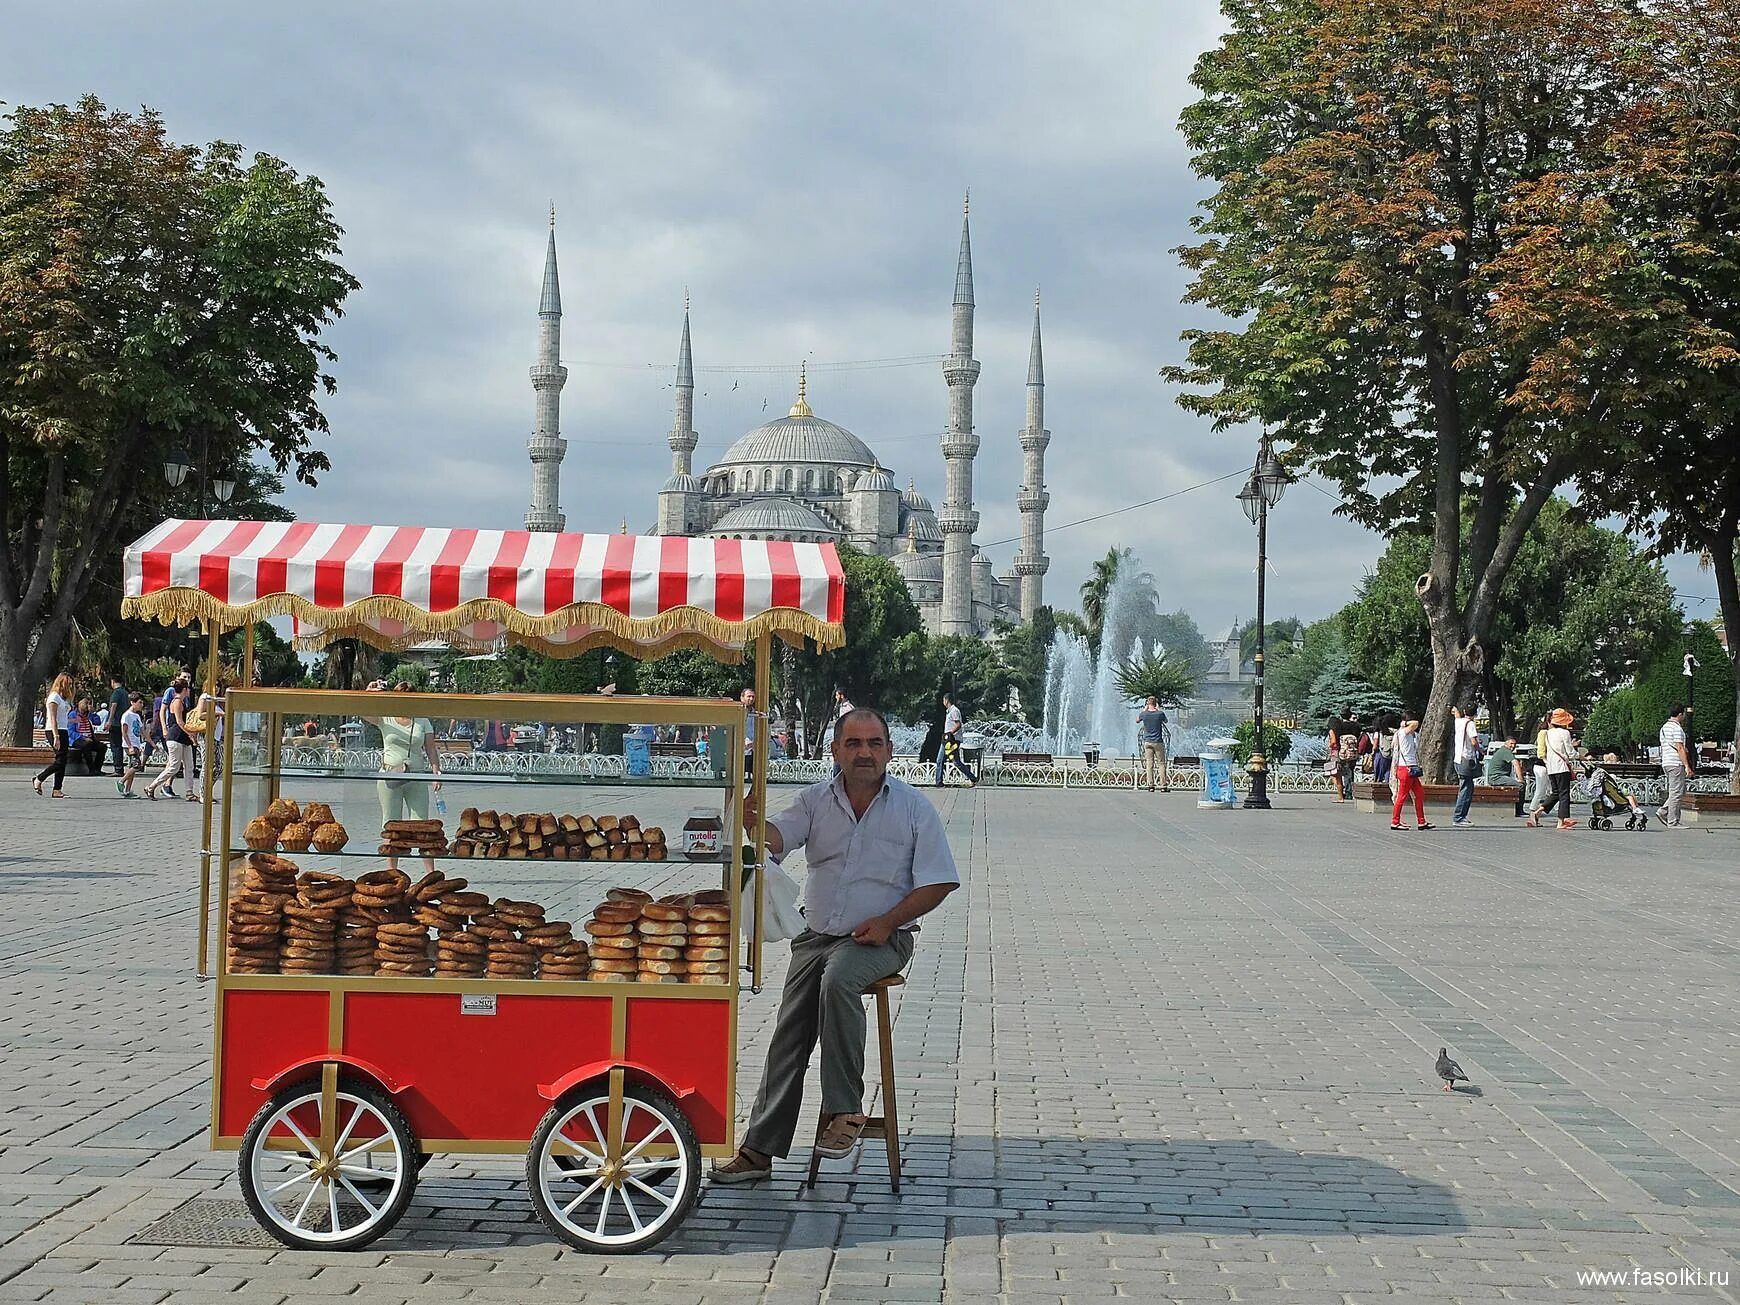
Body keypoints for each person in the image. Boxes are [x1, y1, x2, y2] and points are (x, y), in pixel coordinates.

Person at [710, 708, 959, 1184]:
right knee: (790, 1031)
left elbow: (939, 881)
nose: (864, 753)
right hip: (817, 934)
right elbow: (777, 841)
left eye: (874, 743)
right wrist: (751, 823)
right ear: (836, 751)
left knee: (839, 980)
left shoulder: (913, 807)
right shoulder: (815, 801)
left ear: (889, 750)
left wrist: (889, 922)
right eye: (854, 744)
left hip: (883, 937)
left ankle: (845, 1112)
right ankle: (759, 1150)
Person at [366, 682, 443, 870]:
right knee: (391, 823)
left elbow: (431, 748)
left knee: (422, 825)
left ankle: (429, 874)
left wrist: (436, 772)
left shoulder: (422, 720)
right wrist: (369, 692)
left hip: (416, 775)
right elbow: (363, 711)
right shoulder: (386, 717)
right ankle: (392, 872)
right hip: (390, 774)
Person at [145, 676, 198, 803]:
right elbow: (179, 722)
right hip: (176, 736)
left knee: (189, 766)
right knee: (174, 766)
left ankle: (189, 792)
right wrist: (190, 733)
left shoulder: (181, 701)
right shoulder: (178, 702)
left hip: (183, 738)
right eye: (188, 689)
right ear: (185, 689)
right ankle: (152, 786)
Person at [1526, 708, 1579, 829]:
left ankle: (1537, 812)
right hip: (1561, 767)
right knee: (1564, 794)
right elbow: (1570, 753)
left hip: (1551, 768)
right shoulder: (1565, 733)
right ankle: (1561, 821)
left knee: (1556, 793)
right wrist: (1578, 755)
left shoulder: (1548, 733)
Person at [32, 672, 74, 798]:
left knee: (62, 760)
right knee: (60, 760)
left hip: (63, 729)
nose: (70, 687)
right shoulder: (54, 698)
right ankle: (39, 778)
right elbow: (53, 718)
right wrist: (56, 736)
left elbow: (63, 717)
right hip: (54, 730)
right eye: (68, 684)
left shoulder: (63, 699)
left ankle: (57, 789)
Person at [1389, 712, 1432, 830]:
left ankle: (1421, 821)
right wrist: (1405, 723)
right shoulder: (1403, 732)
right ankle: (1395, 821)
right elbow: (1415, 723)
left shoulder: (1411, 735)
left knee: (1419, 794)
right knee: (1402, 796)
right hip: (1405, 769)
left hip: (1412, 768)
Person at [1657, 703, 1692, 828]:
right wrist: (1687, 765)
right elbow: (1680, 747)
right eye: (1684, 714)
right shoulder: (1677, 729)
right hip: (1675, 763)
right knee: (1676, 792)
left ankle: (1664, 811)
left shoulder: (1664, 727)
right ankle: (1672, 821)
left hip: (1666, 762)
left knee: (1679, 791)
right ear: (1680, 714)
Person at [934, 692, 976, 787]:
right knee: (941, 760)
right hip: (946, 740)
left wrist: (950, 733)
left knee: (954, 761)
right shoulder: (949, 711)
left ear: (946, 700)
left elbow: (958, 724)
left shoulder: (954, 711)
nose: (943, 702)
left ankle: (972, 777)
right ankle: (939, 782)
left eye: (943, 700)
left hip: (952, 740)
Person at [1450, 704, 1482, 827]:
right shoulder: (1470, 724)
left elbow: (1457, 716)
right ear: (1475, 713)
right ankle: (1459, 817)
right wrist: (1480, 750)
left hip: (1458, 759)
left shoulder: (1459, 722)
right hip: (1466, 759)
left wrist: (1456, 710)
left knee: (1467, 787)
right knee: (1466, 789)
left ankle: (1461, 816)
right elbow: (1474, 741)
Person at [1136, 696, 1170, 792]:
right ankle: (1163, 786)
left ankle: (1150, 785)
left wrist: (1144, 709)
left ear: (1147, 703)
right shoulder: (1159, 713)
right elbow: (1166, 721)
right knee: (1161, 764)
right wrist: (1158, 709)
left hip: (1147, 742)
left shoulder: (1144, 714)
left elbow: (1137, 720)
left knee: (1149, 764)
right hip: (1158, 741)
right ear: (1156, 704)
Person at [118, 692, 146, 797]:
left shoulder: (137, 716)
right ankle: (121, 781)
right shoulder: (127, 715)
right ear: (132, 703)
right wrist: (129, 746)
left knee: (132, 767)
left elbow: (142, 730)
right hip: (129, 744)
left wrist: (151, 743)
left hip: (136, 743)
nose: (141, 705)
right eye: (139, 702)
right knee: (136, 765)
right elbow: (124, 732)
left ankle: (127, 790)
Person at [68, 699, 106, 775]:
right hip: (77, 739)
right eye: (86, 704)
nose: (87, 706)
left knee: (102, 747)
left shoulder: (89, 714)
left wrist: (93, 712)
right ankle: (91, 769)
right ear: (80, 705)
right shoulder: (73, 715)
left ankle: (97, 769)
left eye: (89, 704)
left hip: (89, 738)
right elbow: (70, 731)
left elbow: (98, 722)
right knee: (86, 745)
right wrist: (83, 738)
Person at [1336, 709, 1360, 803]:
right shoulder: (1356, 726)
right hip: (1353, 751)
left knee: (1346, 772)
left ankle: (1348, 792)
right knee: (1351, 771)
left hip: (1343, 752)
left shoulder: (1340, 726)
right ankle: (1351, 790)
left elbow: (1337, 739)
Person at [1371, 713, 1395, 785]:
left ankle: (1378, 790)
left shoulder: (1379, 732)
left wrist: (1372, 753)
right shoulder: (1395, 732)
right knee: (1388, 772)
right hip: (1391, 754)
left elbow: (1375, 746)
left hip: (1381, 754)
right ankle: (1388, 788)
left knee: (1379, 775)